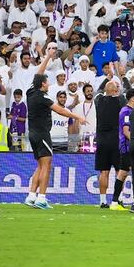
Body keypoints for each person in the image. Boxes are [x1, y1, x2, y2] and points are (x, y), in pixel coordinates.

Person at [24, 49, 87, 210]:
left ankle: (31, 196)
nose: (49, 83)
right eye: (47, 82)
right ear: (42, 85)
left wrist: (47, 57)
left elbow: (38, 73)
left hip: (33, 133)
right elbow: (60, 110)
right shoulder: (42, 97)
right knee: (47, 165)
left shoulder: (31, 92)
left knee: (40, 165)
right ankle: (42, 198)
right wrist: (78, 117)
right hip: (43, 134)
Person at [94, 80, 125, 209]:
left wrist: (107, 79)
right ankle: (119, 198)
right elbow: (125, 92)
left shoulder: (99, 101)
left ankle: (102, 201)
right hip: (116, 140)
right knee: (120, 171)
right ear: (115, 91)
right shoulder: (120, 101)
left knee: (104, 171)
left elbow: (98, 91)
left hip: (101, 140)